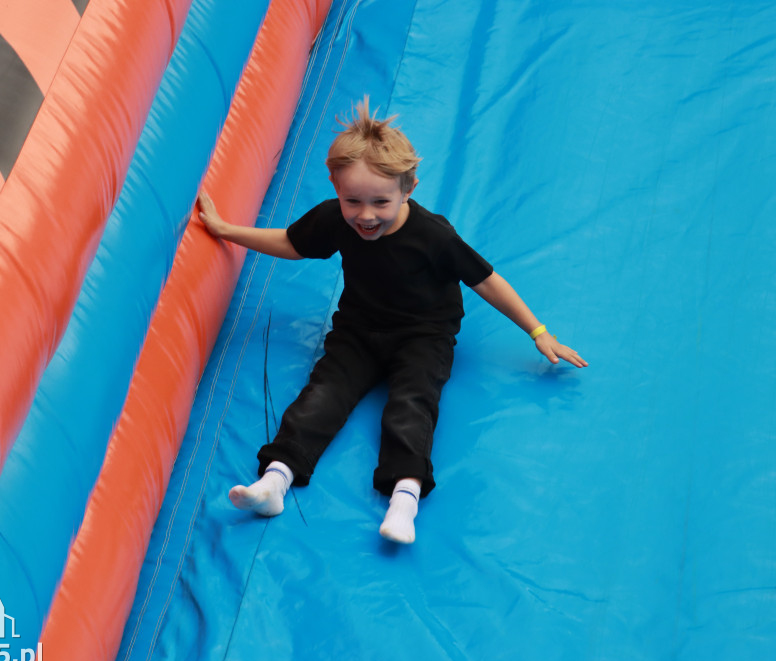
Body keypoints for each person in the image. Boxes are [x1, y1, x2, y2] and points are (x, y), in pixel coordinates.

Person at [197, 97, 587, 544]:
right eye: (352, 201)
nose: (365, 215)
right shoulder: (335, 217)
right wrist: (227, 231)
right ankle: (276, 479)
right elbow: (292, 242)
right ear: (335, 188)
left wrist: (539, 332)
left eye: (380, 201)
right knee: (323, 393)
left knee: (411, 404)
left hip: (424, 335)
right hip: (359, 329)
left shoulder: (433, 236)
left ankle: (404, 500)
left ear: (409, 188)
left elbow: (486, 281)